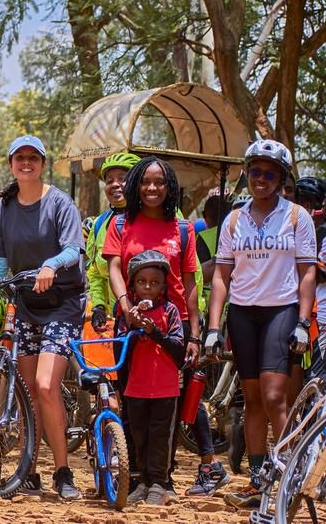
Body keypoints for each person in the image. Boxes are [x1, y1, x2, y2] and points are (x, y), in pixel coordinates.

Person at [102, 156, 226, 497]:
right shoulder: (121, 224)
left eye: (160, 182)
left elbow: (188, 285)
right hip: (129, 322)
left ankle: (163, 480)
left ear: (170, 187)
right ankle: (138, 476)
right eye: (145, 182)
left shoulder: (182, 229)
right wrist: (125, 305)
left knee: (170, 403)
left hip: (173, 325)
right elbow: (114, 268)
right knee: (132, 400)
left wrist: (195, 334)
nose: (152, 188)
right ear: (135, 185)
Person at [205, 139, 316, 508]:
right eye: (255, 171)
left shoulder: (297, 217)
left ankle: (289, 476)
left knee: (273, 396)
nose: (261, 178)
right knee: (251, 400)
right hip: (242, 313)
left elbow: (307, 273)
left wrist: (302, 321)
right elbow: (221, 276)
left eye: (270, 173)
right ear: (247, 173)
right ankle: (257, 482)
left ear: (282, 178)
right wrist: (214, 328)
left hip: (281, 311)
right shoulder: (234, 220)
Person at [0, 135, 85, 499]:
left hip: (63, 302)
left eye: (33, 158)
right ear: (11, 163)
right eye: (19, 158)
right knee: (27, 394)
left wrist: (50, 265)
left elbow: (74, 248)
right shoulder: (4, 208)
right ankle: (30, 470)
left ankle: (63, 472)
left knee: (45, 385)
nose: (26, 163)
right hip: (26, 303)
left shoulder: (59, 203)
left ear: (42, 164)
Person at [117, 250, 185, 507]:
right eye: (141, 282)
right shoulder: (127, 315)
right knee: (139, 436)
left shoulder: (171, 311)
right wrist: (133, 328)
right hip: (136, 387)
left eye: (154, 282)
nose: (147, 287)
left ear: (163, 286)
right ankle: (143, 482)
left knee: (160, 437)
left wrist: (154, 331)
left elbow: (178, 348)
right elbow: (119, 349)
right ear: (132, 284)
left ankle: (159, 483)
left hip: (165, 388)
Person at [87, 152, 140, 331]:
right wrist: (99, 306)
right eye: (109, 180)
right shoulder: (99, 225)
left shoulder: (162, 217)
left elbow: (191, 270)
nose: (115, 184)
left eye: (122, 178)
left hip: (161, 318)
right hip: (121, 320)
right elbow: (95, 272)